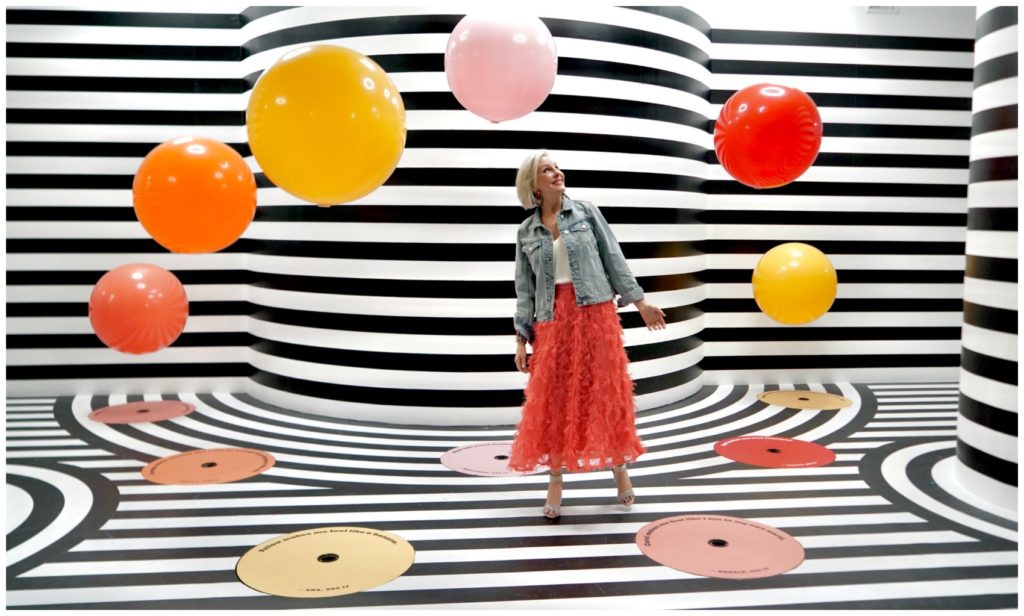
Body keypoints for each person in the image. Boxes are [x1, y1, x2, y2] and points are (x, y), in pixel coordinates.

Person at [509, 149, 667, 519]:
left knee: (605, 395)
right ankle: (556, 481)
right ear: (534, 184)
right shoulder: (526, 231)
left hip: (596, 314)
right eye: (547, 170)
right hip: (552, 322)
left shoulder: (586, 212)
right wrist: (521, 337)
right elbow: (524, 289)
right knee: (555, 403)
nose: (557, 173)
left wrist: (640, 302)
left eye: (557, 167)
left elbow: (614, 258)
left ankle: (620, 470)